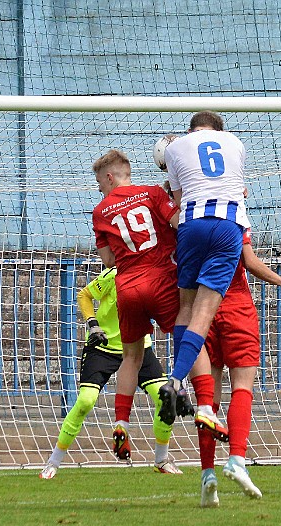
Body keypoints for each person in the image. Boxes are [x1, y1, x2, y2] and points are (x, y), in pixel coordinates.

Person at [91, 150, 196, 456]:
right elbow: (181, 224)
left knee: (131, 358)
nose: (99, 189)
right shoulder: (151, 194)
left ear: (110, 177)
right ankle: (201, 403)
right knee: (191, 335)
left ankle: (121, 422)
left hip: (127, 287)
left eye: (100, 183)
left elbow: (108, 260)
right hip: (162, 279)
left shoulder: (100, 212)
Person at [158, 111, 251, 435]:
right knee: (205, 312)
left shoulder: (174, 148)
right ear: (219, 129)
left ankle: (179, 381)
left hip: (191, 226)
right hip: (226, 226)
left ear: (191, 129)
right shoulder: (235, 143)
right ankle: (175, 381)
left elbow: (180, 199)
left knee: (186, 306)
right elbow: (239, 191)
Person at [39, 268, 181, 478]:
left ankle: (161, 460)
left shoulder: (155, 276)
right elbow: (84, 295)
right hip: (102, 347)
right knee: (86, 402)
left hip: (138, 347)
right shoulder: (113, 275)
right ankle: (53, 462)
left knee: (168, 398)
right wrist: (92, 324)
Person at [197, 228, 281, 507]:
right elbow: (249, 260)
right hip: (235, 302)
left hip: (199, 306)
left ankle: (207, 474)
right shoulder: (231, 210)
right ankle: (237, 460)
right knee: (242, 386)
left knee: (208, 398)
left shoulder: (181, 219)